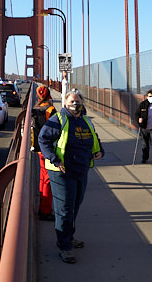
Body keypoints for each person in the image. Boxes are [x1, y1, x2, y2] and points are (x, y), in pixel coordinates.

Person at [38, 90, 104, 264]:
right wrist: (54, 158)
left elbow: (94, 138)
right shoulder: (57, 120)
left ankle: (69, 236)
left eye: (78, 101)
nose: (75, 104)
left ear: (82, 102)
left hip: (81, 170)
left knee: (75, 205)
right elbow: (42, 140)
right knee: (64, 210)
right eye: (72, 101)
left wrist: (99, 151)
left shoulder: (86, 120)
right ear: (65, 103)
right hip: (62, 172)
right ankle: (64, 247)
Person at [31, 85, 57, 221]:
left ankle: (43, 206)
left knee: (43, 178)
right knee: (48, 180)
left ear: (38, 95)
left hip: (38, 148)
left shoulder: (35, 108)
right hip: (48, 149)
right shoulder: (51, 110)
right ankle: (45, 211)